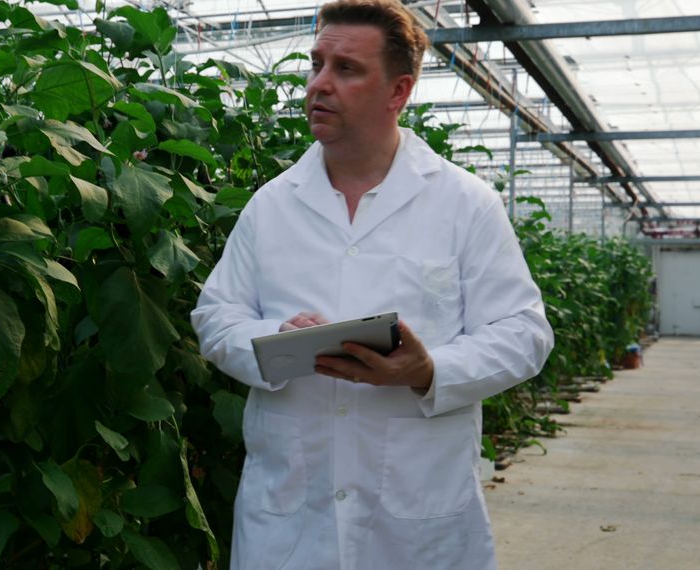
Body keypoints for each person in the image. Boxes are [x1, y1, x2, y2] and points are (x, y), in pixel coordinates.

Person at [190, 1, 555, 568]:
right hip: (290, 518)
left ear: (398, 91)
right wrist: (276, 340)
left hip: (417, 520)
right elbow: (215, 318)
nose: (319, 84)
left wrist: (430, 370)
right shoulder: (273, 206)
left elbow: (524, 332)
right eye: (316, 64)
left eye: (346, 69)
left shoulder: (463, 205)